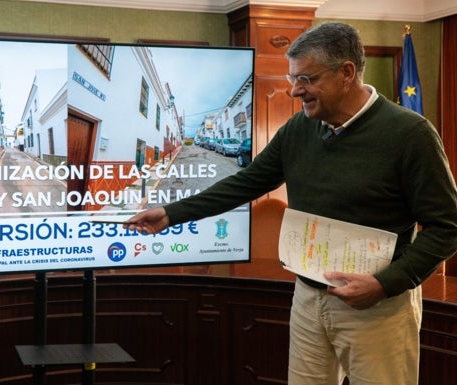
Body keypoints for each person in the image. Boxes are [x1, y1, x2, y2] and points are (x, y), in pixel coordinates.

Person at [125, 22, 457, 385]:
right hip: (308, 298)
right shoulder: (299, 129)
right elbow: (245, 183)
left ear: (346, 73)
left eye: (307, 79)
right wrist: (172, 213)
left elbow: (447, 227)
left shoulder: (410, 134)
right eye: (292, 77)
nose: (295, 90)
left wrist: (385, 284)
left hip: (379, 305)